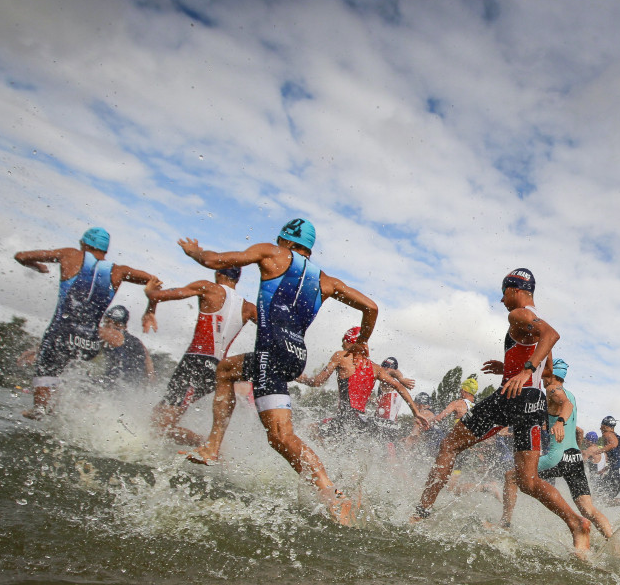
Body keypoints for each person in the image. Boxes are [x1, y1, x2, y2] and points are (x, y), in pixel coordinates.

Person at [179, 218, 385, 526]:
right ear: (309, 249)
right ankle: (212, 446)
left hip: (270, 351)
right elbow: (371, 308)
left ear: (285, 241)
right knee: (226, 369)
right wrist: (361, 343)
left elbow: (214, 260)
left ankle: (330, 493)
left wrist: (195, 252)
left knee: (279, 436)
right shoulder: (326, 282)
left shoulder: (272, 254)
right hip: (295, 355)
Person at [414, 268, 591, 555]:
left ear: (515, 289)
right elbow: (548, 369)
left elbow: (551, 335)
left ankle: (420, 515)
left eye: (504, 292)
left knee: (449, 445)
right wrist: (509, 366)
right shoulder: (531, 320)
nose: (501, 300)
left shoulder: (519, 314)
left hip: (511, 398)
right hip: (532, 404)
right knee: (528, 481)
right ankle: (577, 524)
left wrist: (524, 370)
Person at [14, 227, 161, 417]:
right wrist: (150, 309)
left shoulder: (69, 255)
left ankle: (40, 408)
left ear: (84, 243)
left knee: (47, 369)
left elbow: (21, 255)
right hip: (89, 342)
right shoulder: (118, 271)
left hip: (62, 333)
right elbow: (154, 281)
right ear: (105, 250)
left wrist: (35, 266)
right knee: (69, 369)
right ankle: (64, 409)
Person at [498, 359, 613, 540]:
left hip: (558, 456)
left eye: (544, 372)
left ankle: (504, 525)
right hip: (575, 458)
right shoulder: (571, 394)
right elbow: (575, 424)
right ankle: (613, 540)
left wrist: (559, 422)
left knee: (511, 476)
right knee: (588, 509)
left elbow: (566, 406)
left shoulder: (553, 390)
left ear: (551, 375)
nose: (542, 377)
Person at [144, 266, 257, 446]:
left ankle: (209, 448)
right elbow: (272, 333)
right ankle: (202, 449)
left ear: (218, 273)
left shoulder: (208, 288)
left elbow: (158, 295)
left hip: (196, 362)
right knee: (158, 415)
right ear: (238, 279)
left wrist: (150, 292)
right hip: (217, 370)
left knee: (162, 425)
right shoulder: (249, 308)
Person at [297, 327, 422, 441]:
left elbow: (318, 381)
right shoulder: (375, 368)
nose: (342, 344)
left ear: (351, 341)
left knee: (311, 429)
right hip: (361, 421)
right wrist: (416, 412)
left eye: (344, 340)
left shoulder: (340, 356)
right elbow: (399, 386)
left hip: (345, 418)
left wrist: (301, 378)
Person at [98, 306, 155, 387]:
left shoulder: (107, 335)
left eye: (116, 324)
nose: (111, 327)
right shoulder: (139, 343)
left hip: (112, 386)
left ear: (124, 326)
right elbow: (150, 373)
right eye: (107, 322)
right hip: (130, 389)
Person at [586, 416, 620, 499]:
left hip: (615, 474)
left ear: (605, 426)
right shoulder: (618, 437)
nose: (600, 428)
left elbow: (613, 444)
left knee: (596, 496)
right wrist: (605, 469)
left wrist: (599, 451)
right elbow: (618, 459)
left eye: (601, 425)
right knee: (605, 500)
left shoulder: (607, 434)